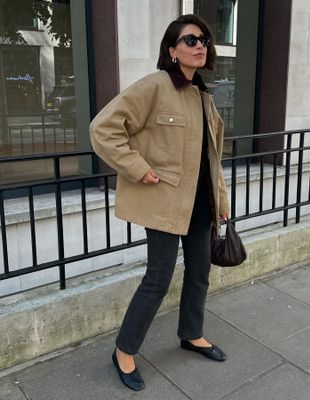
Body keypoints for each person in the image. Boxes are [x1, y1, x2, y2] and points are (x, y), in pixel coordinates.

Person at [90, 14, 230, 391]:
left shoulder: (202, 94)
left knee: (200, 272)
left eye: (203, 40)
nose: (199, 45)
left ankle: (191, 333)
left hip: (200, 204)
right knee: (158, 278)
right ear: (172, 50)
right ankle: (124, 349)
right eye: (189, 40)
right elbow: (103, 128)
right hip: (165, 202)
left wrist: (220, 198)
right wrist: (138, 167)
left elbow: (210, 156)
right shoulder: (154, 86)